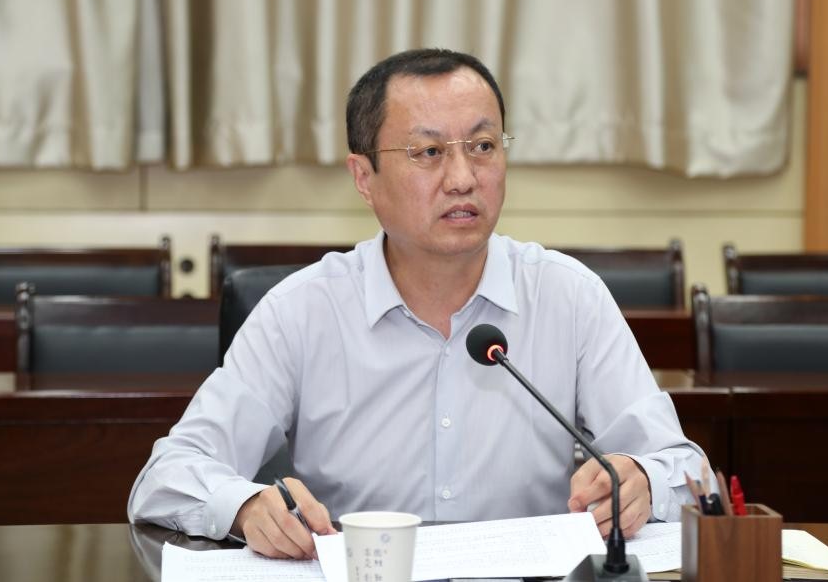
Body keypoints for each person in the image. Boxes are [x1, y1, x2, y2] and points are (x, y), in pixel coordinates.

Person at [128, 48, 705, 560]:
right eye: (428, 151)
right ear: (364, 176)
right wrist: (246, 505)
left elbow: (685, 467)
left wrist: (643, 480)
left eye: (483, 147)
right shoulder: (302, 311)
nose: (463, 178)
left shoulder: (568, 297)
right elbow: (167, 475)